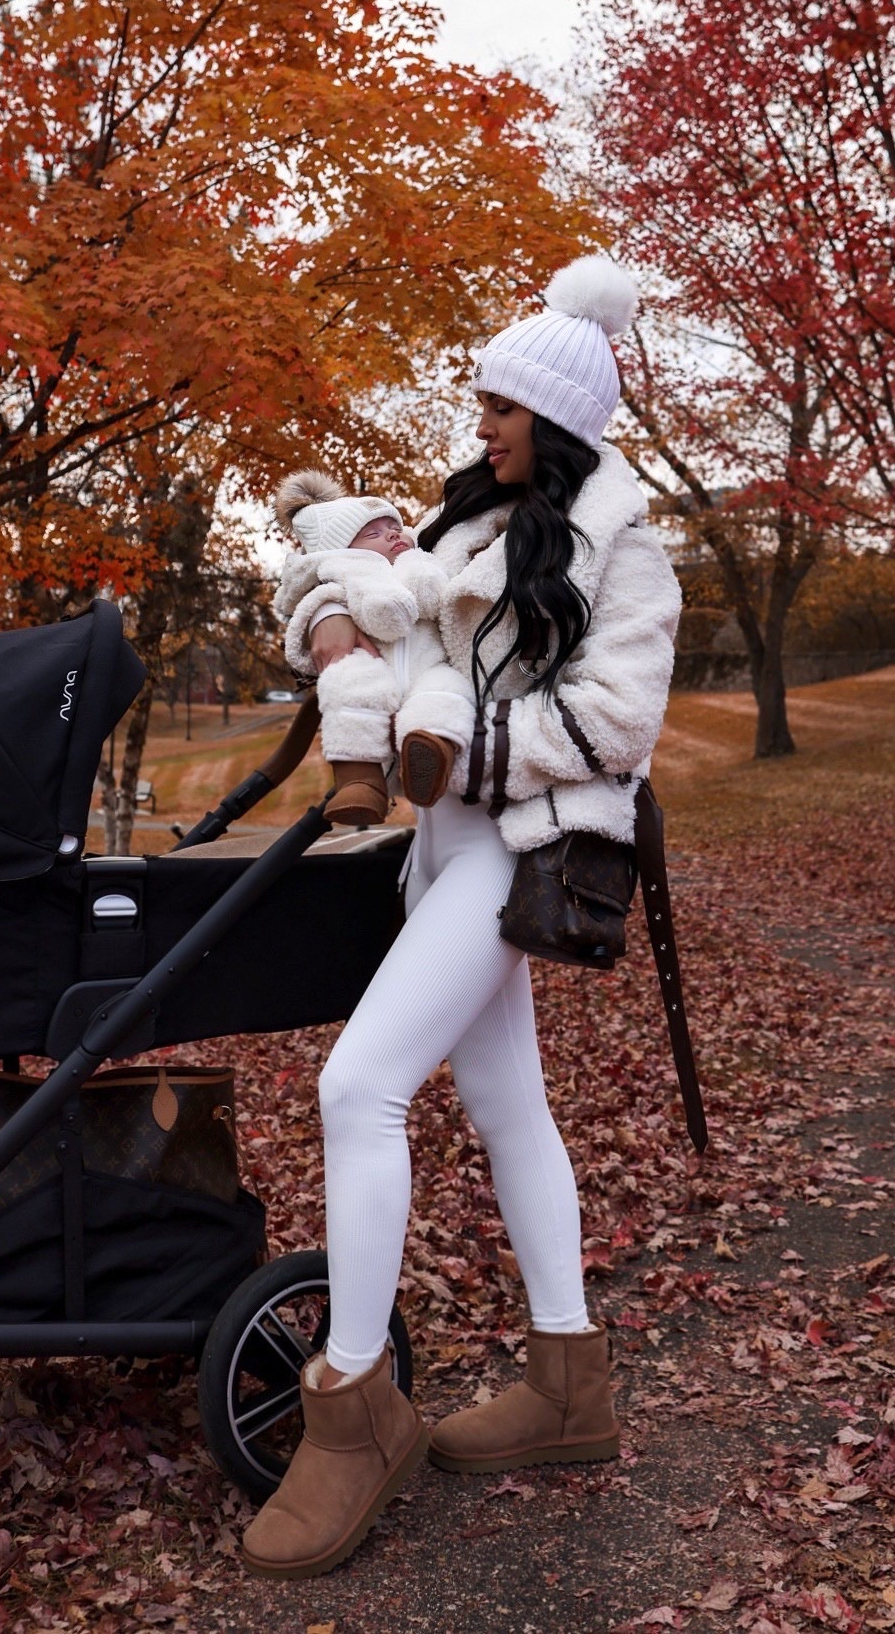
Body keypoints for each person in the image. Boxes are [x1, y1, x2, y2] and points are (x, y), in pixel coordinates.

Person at [242, 255, 682, 1580]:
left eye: (499, 407)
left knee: (356, 1088)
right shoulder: (464, 528)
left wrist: (468, 751)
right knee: (506, 1106)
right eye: (483, 400)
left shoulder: (623, 545)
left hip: (516, 848)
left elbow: (617, 723)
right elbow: (371, 615)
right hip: (437, 852)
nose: (479, 425)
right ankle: (567, 1385)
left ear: (553, 423)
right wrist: (326, 622)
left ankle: (355, 1402)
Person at [272, 472, 474, 825]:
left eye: (393, 527)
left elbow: (436, 599)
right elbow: (317, 606)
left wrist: (418, 567)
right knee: (349, 686)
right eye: (373, 533)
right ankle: (359, 781)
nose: (393, 535)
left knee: (447, 690)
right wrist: (329, 609)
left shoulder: (420, 561)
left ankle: (431, 750)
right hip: (369, 662)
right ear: (344, 550)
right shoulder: (343, 574)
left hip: (427, 667)